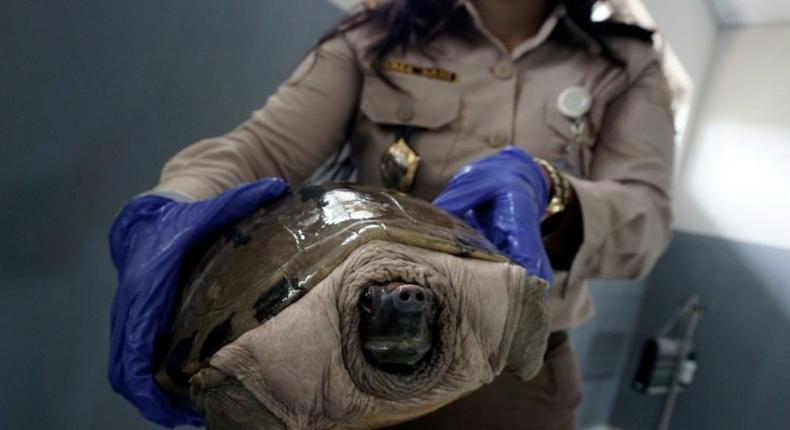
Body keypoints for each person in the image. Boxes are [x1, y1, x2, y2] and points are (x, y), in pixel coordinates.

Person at [108, 0, 675, 428]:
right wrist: (172, 207)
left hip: (513, 371)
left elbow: (645, 215)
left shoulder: (625, 63)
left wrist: (556, 198)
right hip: (336, 348)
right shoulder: (375, 33)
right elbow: (260, 150)